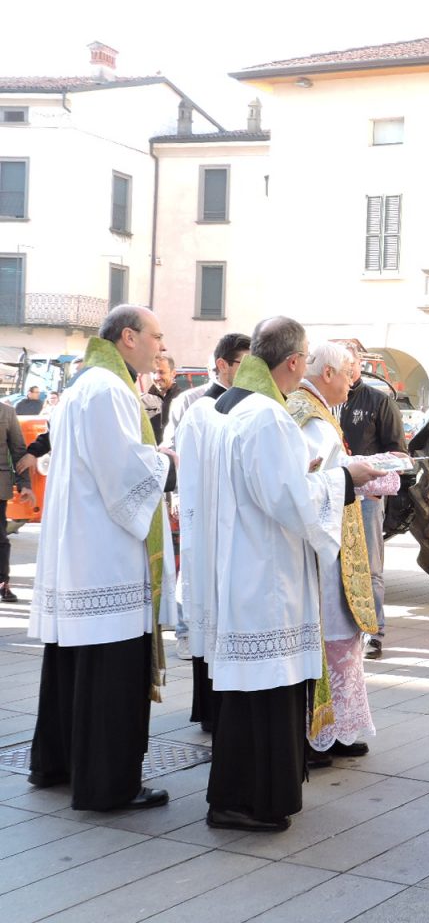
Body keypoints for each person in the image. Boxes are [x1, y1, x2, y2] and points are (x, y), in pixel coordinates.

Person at [203, 317, 384, 832]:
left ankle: (242, 796)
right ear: (295, 362)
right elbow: (290, 500)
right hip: (267, 580)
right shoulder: (267, 416)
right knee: (261, 693)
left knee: (251, 695)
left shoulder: (241, 409)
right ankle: (244, 801)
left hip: (251, 570)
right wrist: (343, 479)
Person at [26, 304, 177, 812]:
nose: (161, 347)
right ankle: (109, 784)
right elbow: (125, 475)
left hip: (81, 552)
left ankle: (60, 764)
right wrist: (167, 461)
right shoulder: (110, 389)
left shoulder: (83, 385)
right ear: (129, 337)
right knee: (109, 673)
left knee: (74, 666)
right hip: (107, 555)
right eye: (156, 336)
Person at [286, 342, 379, 765]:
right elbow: (313, 486)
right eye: (347, 373)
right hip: (323, 551)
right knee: (332, 642)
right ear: (326, 374)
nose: (352, 381)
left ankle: (338, 728)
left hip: (330, 540)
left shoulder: (314, 410)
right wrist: (357, 476)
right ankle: (321, 733)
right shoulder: (310, 418)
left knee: (340, 642)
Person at [164, 332, 250, 676]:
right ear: (222, 365)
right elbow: (182, 466)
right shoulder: (198, 409)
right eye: (244, 364)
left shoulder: (248, 407)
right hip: (208, 525)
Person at [339, 357, 404, 659]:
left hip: (366, 499)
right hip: (331, 496)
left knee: (370, 568)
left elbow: (398, 454)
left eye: (348, 363)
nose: (344, 369)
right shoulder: (322, 404)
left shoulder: (379, 401)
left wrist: (374, 485)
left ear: (357, 366)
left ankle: (374, 633)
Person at [0, 399, 32, 602]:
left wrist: (24, 484)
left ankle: (3, 581)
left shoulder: (7, 412)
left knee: (0, 537)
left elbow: (19, 450)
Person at [144, 355, 181, 440]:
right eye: (153, 372)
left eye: (161, 372)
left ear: (173, 373)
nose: (157, 377)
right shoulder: (144, 401)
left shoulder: (181, 400)